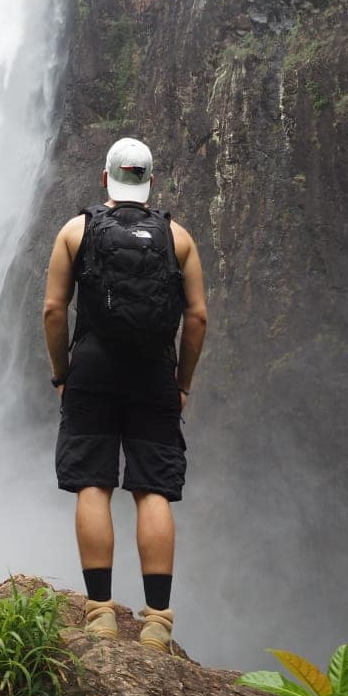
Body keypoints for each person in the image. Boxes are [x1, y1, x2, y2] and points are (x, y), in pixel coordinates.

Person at [43, 137, 207, 653]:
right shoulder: (177, 237)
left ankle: (100, 615)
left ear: (105, 180)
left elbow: (53, 310)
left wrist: (62, 375)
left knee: (94, 481)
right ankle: (157, 621)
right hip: (154, 372)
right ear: (151, 182)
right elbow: (197, 316)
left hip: (92, 368)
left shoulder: (77, 230)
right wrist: (182, 382)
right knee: (151, 489)